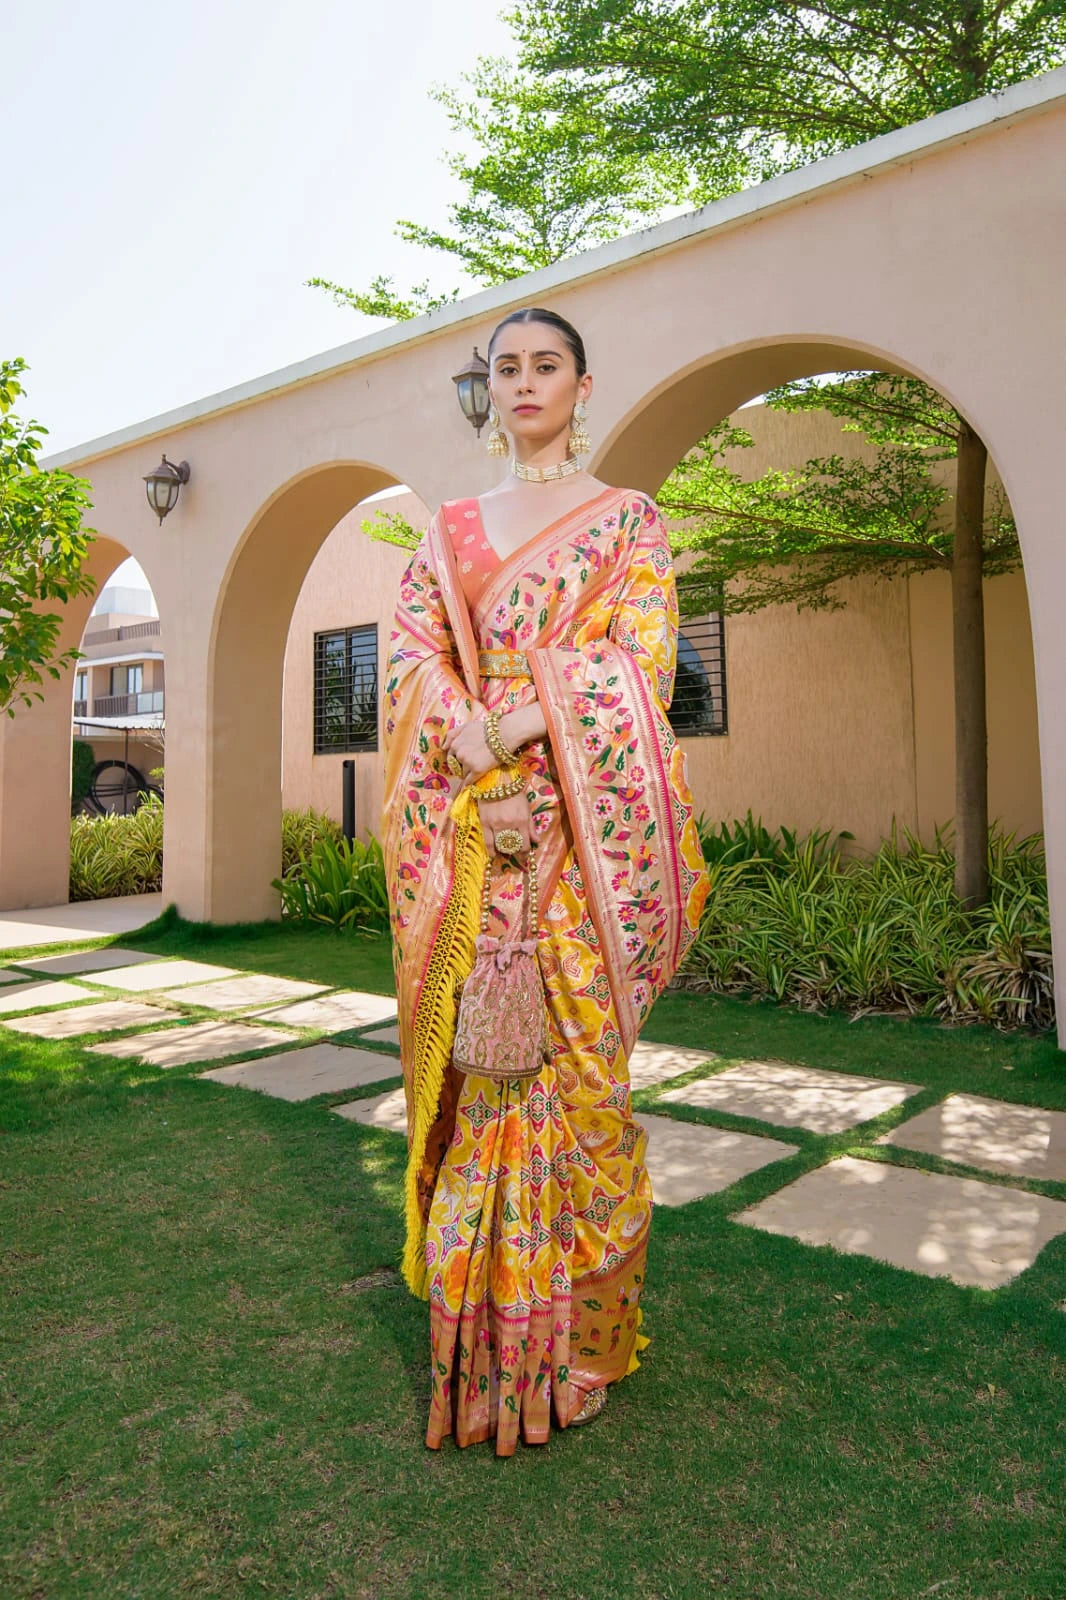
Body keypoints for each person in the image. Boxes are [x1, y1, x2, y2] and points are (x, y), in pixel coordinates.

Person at [381, 306, 709, 1456]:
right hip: (481, 838)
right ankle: (482, 1329)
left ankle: (589, 1338)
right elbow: (414, 658)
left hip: (579, 844)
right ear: (489, 389)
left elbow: (640, 666)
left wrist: (518, 726)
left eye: (544, 365)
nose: (523, 383)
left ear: (581, 383)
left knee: (590, 1090)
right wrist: (474, 757)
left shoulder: (627, 522)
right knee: (485, 1071)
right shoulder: (451, 528)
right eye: (503, 368)